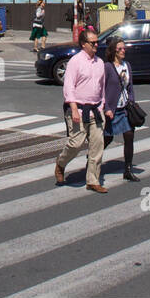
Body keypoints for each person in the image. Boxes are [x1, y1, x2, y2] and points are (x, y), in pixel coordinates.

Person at [54, 26, 108, 193]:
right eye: (93, 43)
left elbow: (102, 86)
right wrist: (74, 109)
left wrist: (103, 105)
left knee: (97, 146)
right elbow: (69, 86)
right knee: (75, 144)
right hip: (78, 108)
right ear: (84, 44)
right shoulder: (75, 62)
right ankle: (61, 163)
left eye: (98, 42)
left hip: (96, 109)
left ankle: (93, 180)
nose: (96, 45)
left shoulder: (99, 63)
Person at [102, 33, 140, 181]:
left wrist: (132, 101)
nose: (123, 51)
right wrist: (106, 108)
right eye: (120, 49)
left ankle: (128, 169)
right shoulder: (107, 67)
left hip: (124, 108)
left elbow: (130, 87)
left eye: (124, 48)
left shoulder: (127, 66)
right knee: (108, 138)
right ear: (113, 51)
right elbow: (102, 89)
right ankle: (93, 158)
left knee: (129, 135)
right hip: (112, 109)